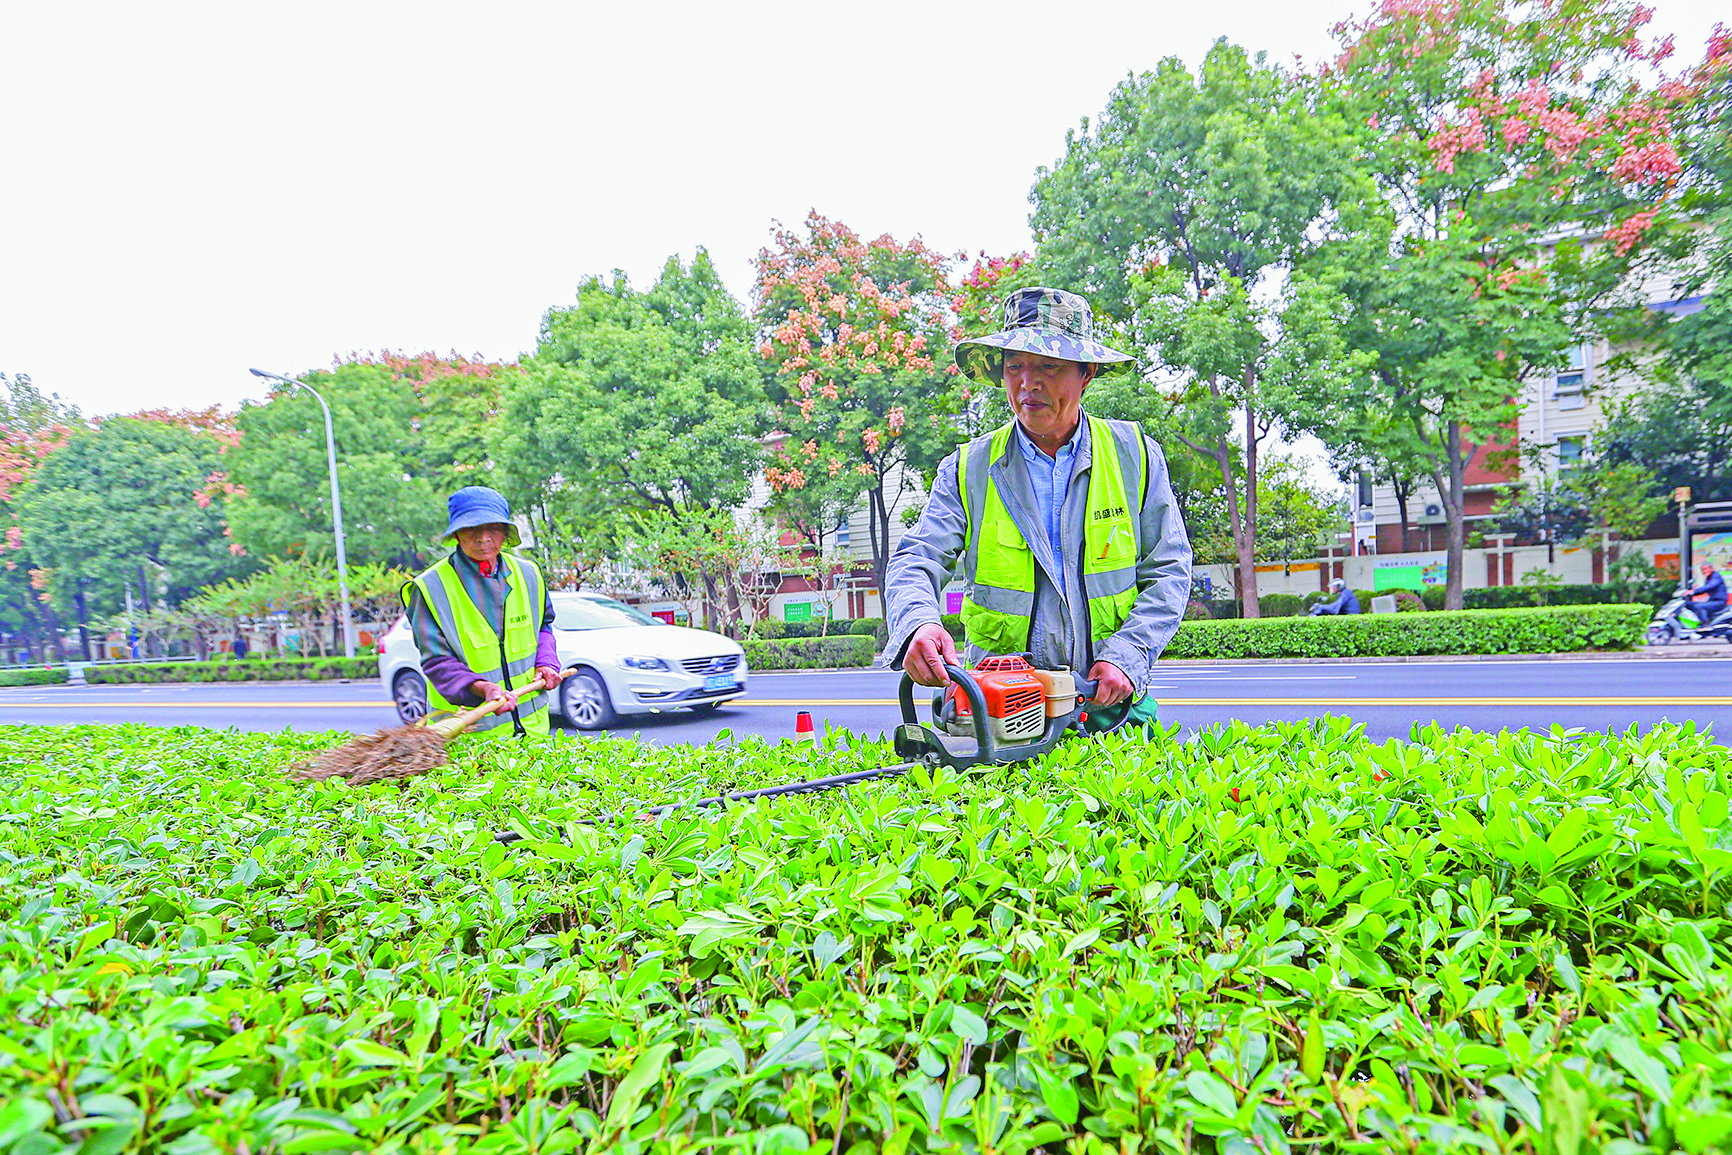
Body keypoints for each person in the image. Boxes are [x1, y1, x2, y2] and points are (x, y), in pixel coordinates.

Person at [885, 286, 1192, 730]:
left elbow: (1170, 569)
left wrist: (1127, 656)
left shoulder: (1135, 456)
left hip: (1112, 710)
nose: (1028, 382)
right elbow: (916, 558)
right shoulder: (969, 468)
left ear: (1085, 373)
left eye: (1048, 366)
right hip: (1000, 715)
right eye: (1015, 367)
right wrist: (917, 624)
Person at [402, 486, 569, 739]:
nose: (483, 538)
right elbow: (437, 661)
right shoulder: (429, 588)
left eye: (492, 528)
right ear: (457, 534)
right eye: (472, 529)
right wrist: (481, 688)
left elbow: (544, 627)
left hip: (535, 734)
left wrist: (546, 662)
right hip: (470, 739)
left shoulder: (529, 574)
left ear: (504, 533)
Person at [1689, 559, 1727, 624]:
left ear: (1711, 568)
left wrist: (1694, 591)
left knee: (1698, 606)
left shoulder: (1716, 576)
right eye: (1702, 570)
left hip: (1719, 602)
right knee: (1690, 604)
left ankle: (1706, 624)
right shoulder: (1709, 578)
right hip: (1712, 601)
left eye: (1706, 569)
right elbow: (1705, 590)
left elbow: (1709, 587)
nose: (1704, 571)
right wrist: (1691, 593)